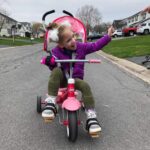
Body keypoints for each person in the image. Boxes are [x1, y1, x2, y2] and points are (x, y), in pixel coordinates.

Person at [41, 22, 114, 135]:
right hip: (63, 79)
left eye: (73, 36)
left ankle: (91, 116)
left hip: (76, 79)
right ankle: (51, 102)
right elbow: (52, 61)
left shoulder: (81, 47)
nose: (73, 41)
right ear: (61, 45)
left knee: (85, 86)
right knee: (56, 71)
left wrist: (107, 36)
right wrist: (49, 61)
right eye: (68, 40)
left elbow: (95, 45)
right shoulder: (56, 51)